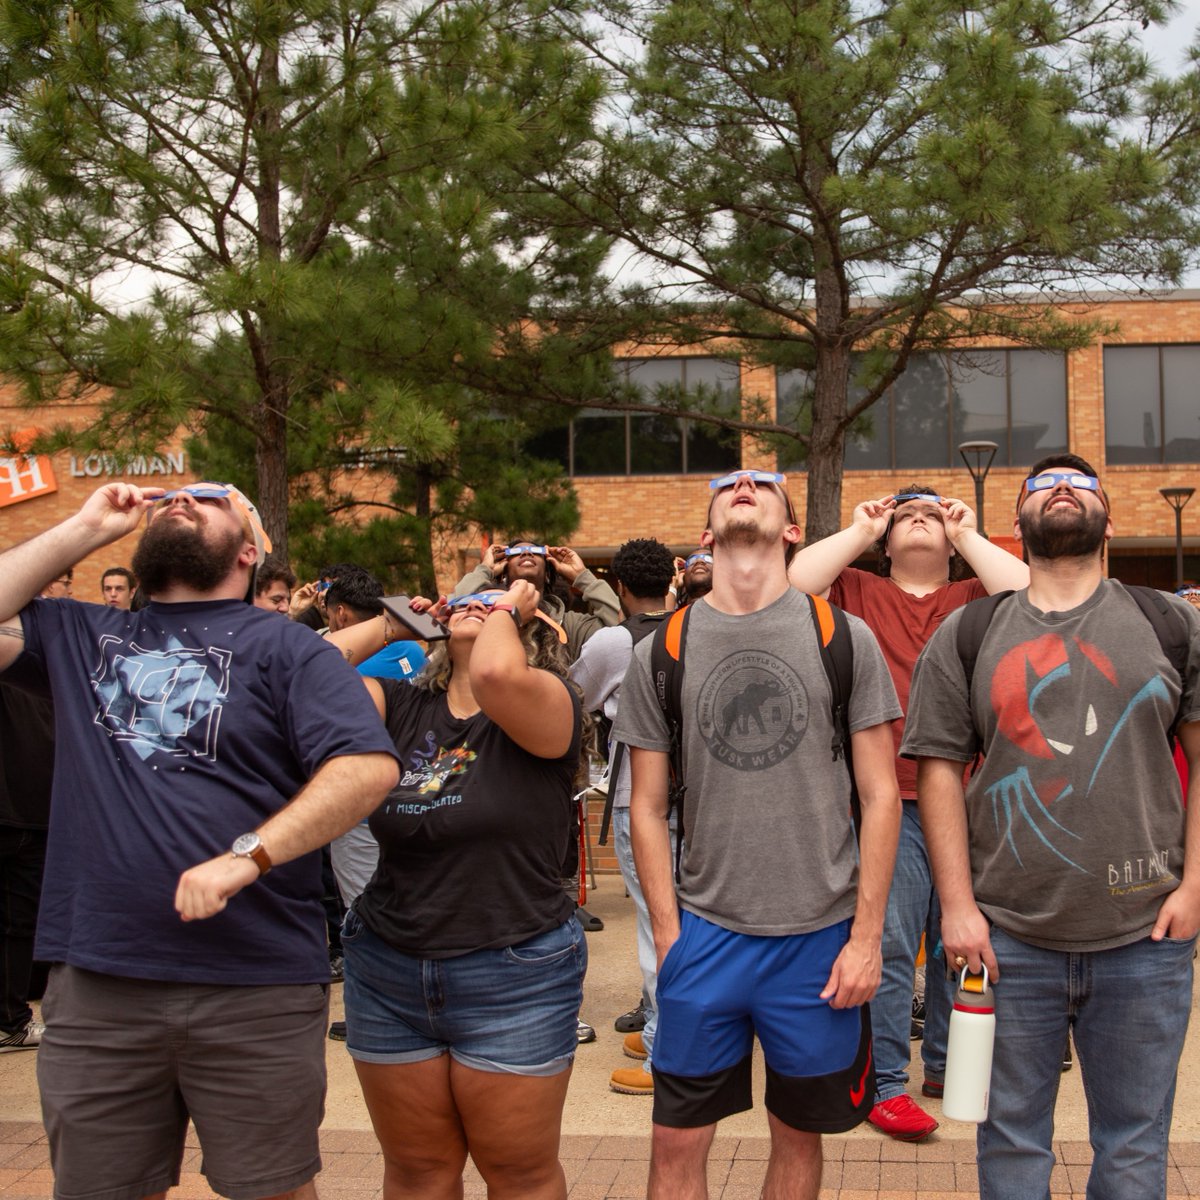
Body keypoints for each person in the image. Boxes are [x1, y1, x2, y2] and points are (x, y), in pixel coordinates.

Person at [0, 480, 400, 1200]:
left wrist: (247, 857)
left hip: (253, 986)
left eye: (212, 498)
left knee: (270, 1188)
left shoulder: (288, 648)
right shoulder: (80, 633)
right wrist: (86, 527)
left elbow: (365, 767)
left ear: (248, 550)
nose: (182, 498)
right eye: (173, 494)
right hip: (99, 983)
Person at [901, 453, 1200, 1200]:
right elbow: (936, 771)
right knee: (1010, 1147)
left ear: (1108, 517)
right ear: (1016, 524)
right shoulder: (970, 633)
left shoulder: (1171, 624)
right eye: (1041, 484)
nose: (1060, 489)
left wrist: (1196, 886)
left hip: (1146, 940)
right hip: (1006, 942)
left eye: (1079, 482)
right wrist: (959, 909)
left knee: (1134, 1152)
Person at [615, 468, 903, 1200]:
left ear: (793, 528)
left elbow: (880, 796)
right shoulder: (662, 649)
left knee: (798, 1139)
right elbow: (644, 808)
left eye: (764, 483)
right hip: (706, 934)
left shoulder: (844, 637)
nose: (746, 483)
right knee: (673, 1146)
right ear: (707, 533)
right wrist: (671, 935)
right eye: (730, 485)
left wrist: (867, 940)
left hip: (819, 939)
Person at [787, 486, 1029, 1141]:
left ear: (952, 544)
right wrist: (862, 528)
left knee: (966, 942)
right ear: (886, 543)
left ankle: (951, 1068)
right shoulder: (857, 590)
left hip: (970, 797)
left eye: (933, 516)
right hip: (884, 799)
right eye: (906, 518)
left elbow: (1028, 589)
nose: (919, 522)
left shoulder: (975, 597)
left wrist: (968, 533)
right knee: (890, 944)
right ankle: (886, 1081)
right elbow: (796, 578)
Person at [339, 582, 587, 1199]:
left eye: (497, 602)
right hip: (388, 966)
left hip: (515, 969)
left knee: (518, 1174)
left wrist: (507, 609)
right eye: (467, 600)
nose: (478, 604)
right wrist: (391, 627)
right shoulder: (397, 703)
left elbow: (498, 675)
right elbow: (293, 671)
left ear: (528, 626)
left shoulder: (549, 700)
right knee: (418, 1171)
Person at [569, 537, 677, 1096]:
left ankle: (666, 1052)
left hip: (641, 797)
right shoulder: (697, 627)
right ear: (673, 581)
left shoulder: (613, 640)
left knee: (656, 924)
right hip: (699, 797)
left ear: (621, 587)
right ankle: (675, 1032)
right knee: (688, 920)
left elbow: (570, 699)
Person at [452, 539, 620, 661]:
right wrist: (484, 569)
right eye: (516, 552)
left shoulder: (570, 625)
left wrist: (583, 577)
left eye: (536, 552)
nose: (526, 553)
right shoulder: (484, 615)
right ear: (503, 572)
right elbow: (456, 611)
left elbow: (622, 630)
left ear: (547, 574)